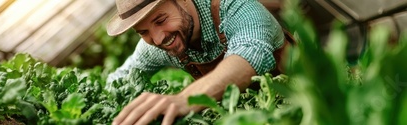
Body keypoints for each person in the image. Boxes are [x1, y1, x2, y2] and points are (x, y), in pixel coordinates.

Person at [105, 0, 291, 124]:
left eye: (161, 20)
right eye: (143, 32)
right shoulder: (157, 43)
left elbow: (250, 54)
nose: (158, 38)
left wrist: (184, 98)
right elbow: (120, 78)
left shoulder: (235, 6)